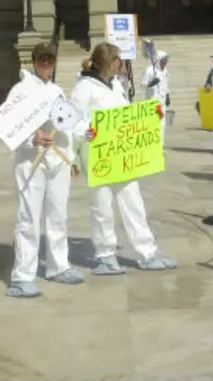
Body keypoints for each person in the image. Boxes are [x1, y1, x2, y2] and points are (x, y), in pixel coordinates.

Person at [71, 42, 176, 275]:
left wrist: (150, 115)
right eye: (118, 59)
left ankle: (147, 251)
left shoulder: (116, 86)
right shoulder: (84, 87)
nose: (121, 63)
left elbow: (127, 114)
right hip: (97, 155)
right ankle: (105, 255)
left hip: (122, 154)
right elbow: (74, 120)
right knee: (102, 206)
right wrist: (84, 132)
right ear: (109, 62)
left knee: (133, 201)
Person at [7, 43, 84, 298]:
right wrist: (32, 137)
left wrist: (86, 130)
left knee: (57, 216)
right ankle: (22, 276)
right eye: (42, 59)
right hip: (31, 162)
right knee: (29, 219)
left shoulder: (58, 91)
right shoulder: (20, 90)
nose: (46, 64)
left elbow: (70, 122)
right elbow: (9, 126)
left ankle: (58, 266)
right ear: (33, 60)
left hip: (56, 161)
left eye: (50, 59)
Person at [141, 50, 170, 146]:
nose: (165, 62)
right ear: (158, 60)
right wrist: (151, 83)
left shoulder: (165, 70)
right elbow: (143, 84)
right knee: (153, 124)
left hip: (162, 101)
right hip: (153, 101)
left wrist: (168, 95)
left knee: (162, 123)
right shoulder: (150, 70)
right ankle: (152, 145)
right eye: (163, 60)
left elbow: (166, 83)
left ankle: (161, 145)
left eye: (166, 60)